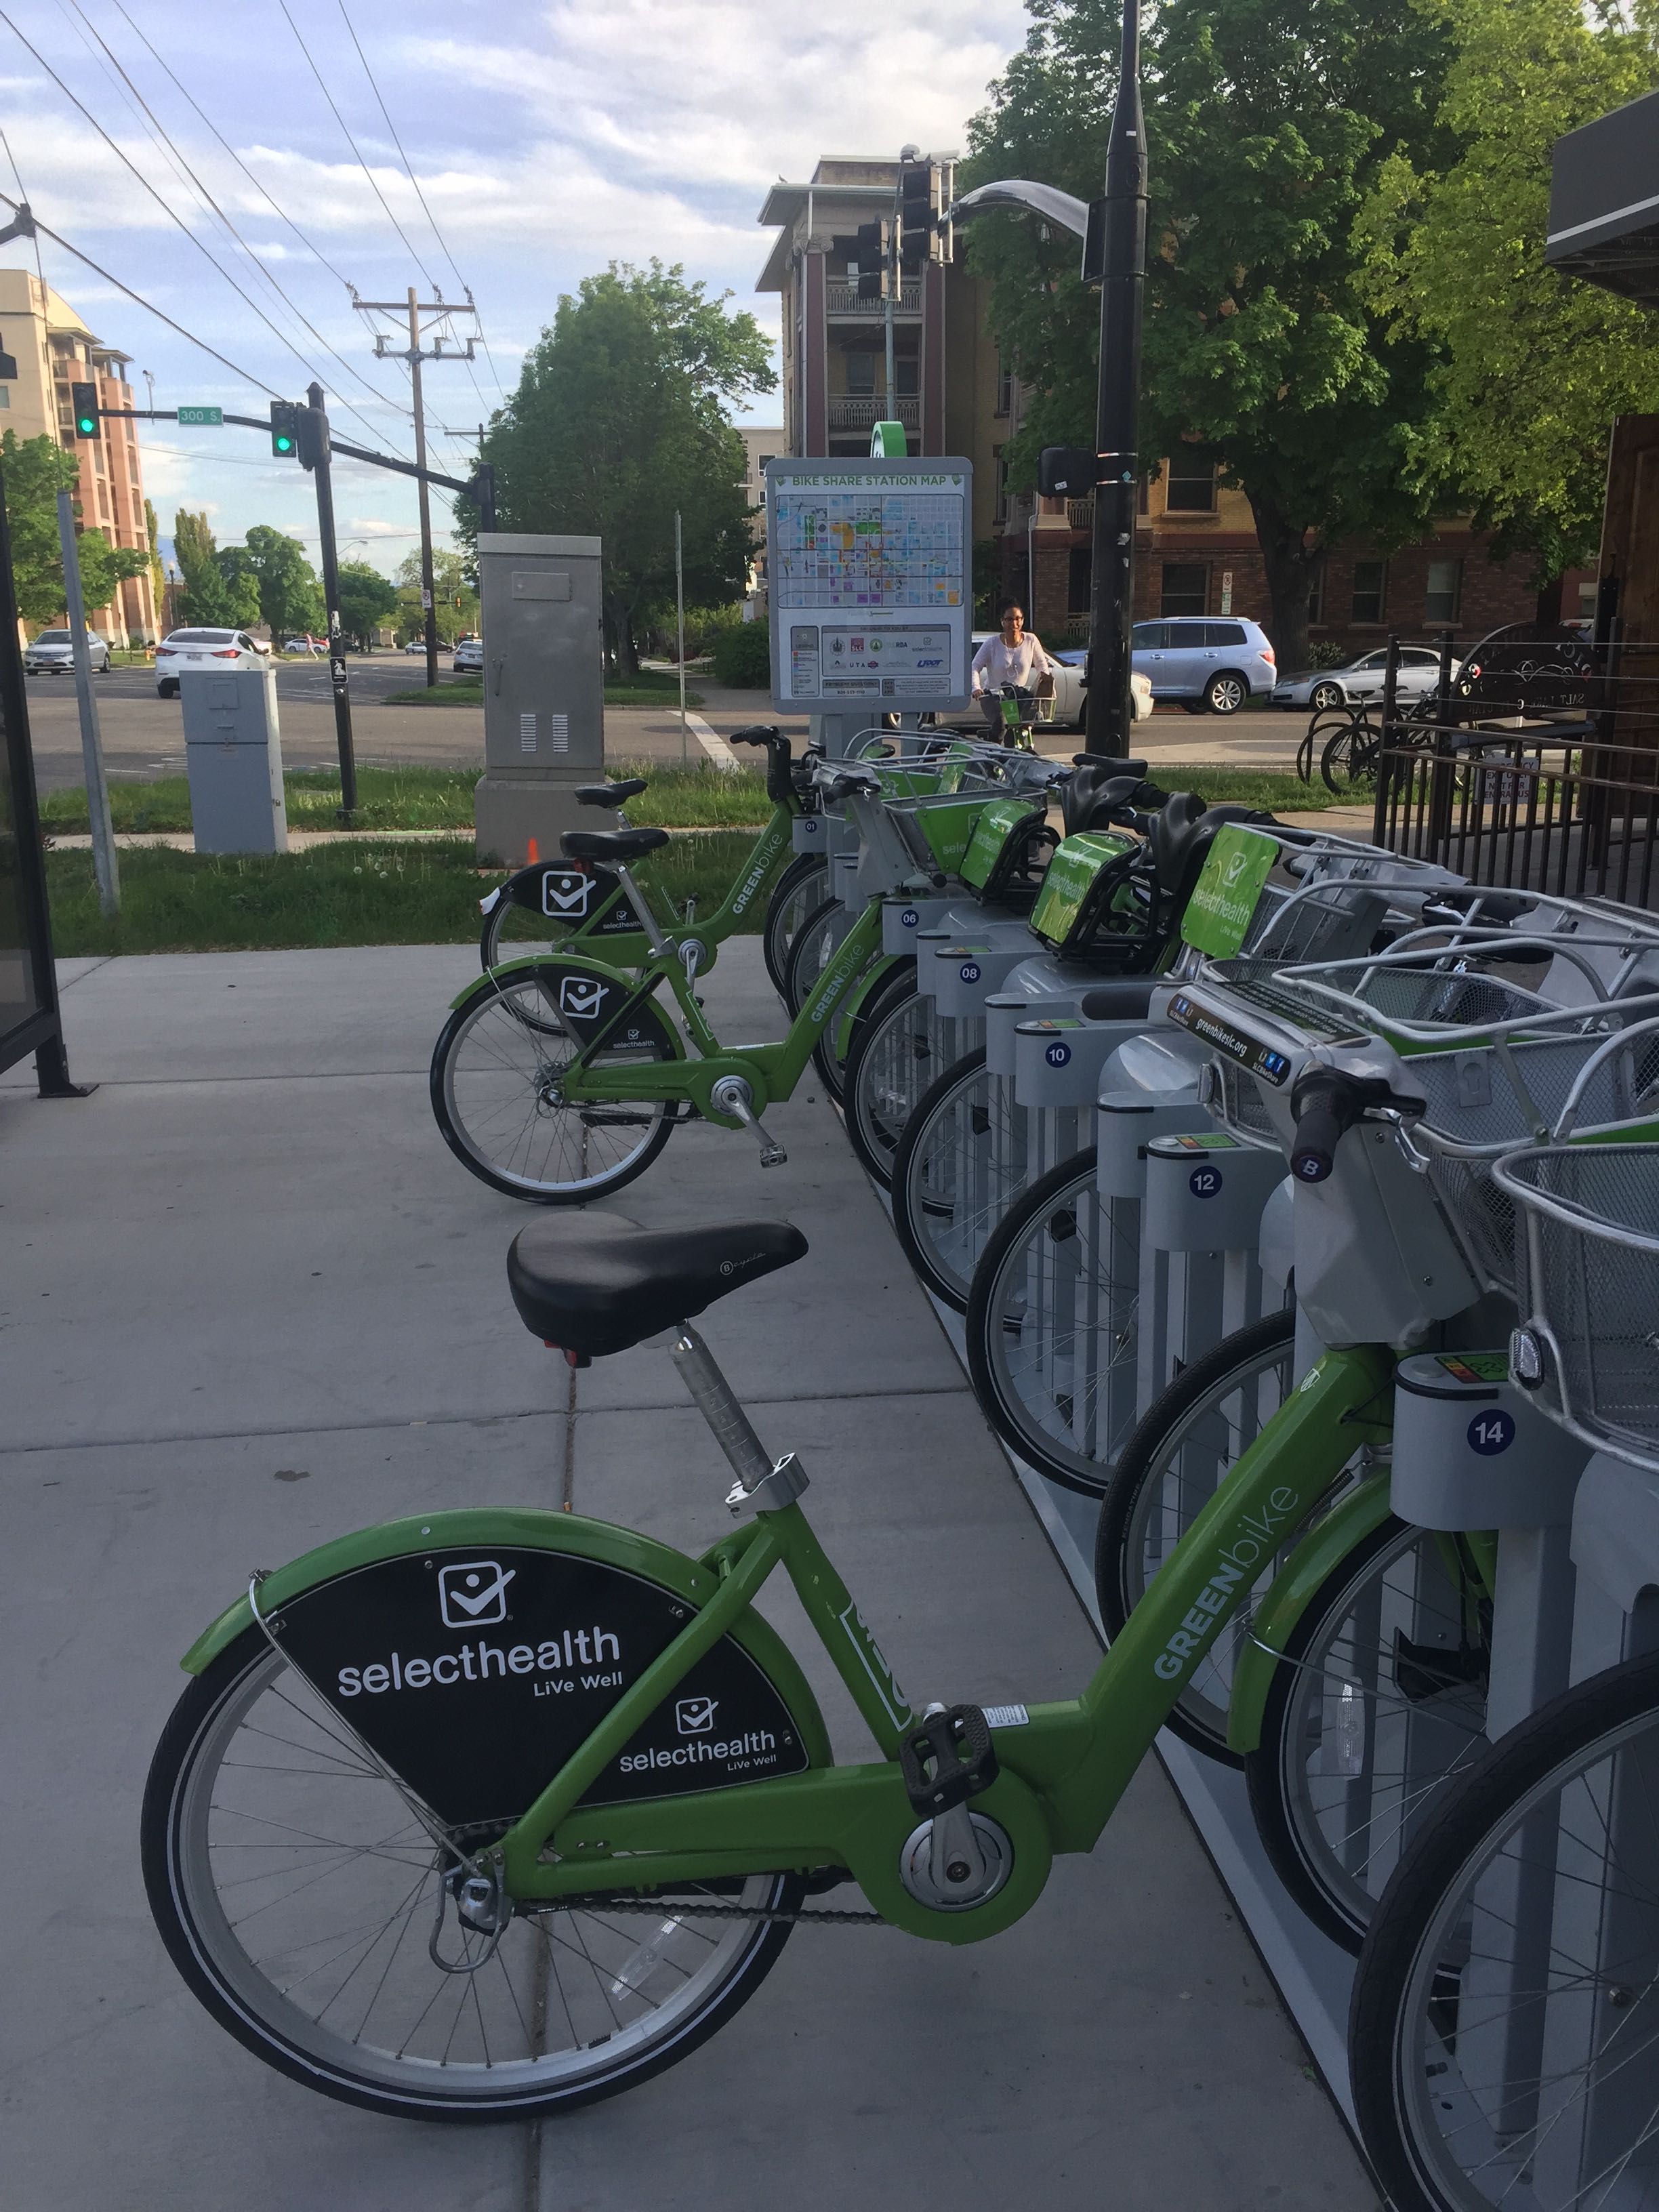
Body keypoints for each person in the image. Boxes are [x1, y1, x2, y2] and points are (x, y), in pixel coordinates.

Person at [970, 602, 1054, 737]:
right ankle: (993, 744)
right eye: (1009, 619)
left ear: (1022, 621)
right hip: (994, 696)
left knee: (1024, 727)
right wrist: (976, 688)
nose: (1014, 624)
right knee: (1001, 724)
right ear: (1002, 622)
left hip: (1018, 696)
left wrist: (1046, 682)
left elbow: (1042, 665)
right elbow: (975, 666)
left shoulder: (1031, 640)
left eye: (1017, 619)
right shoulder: (992, 643)